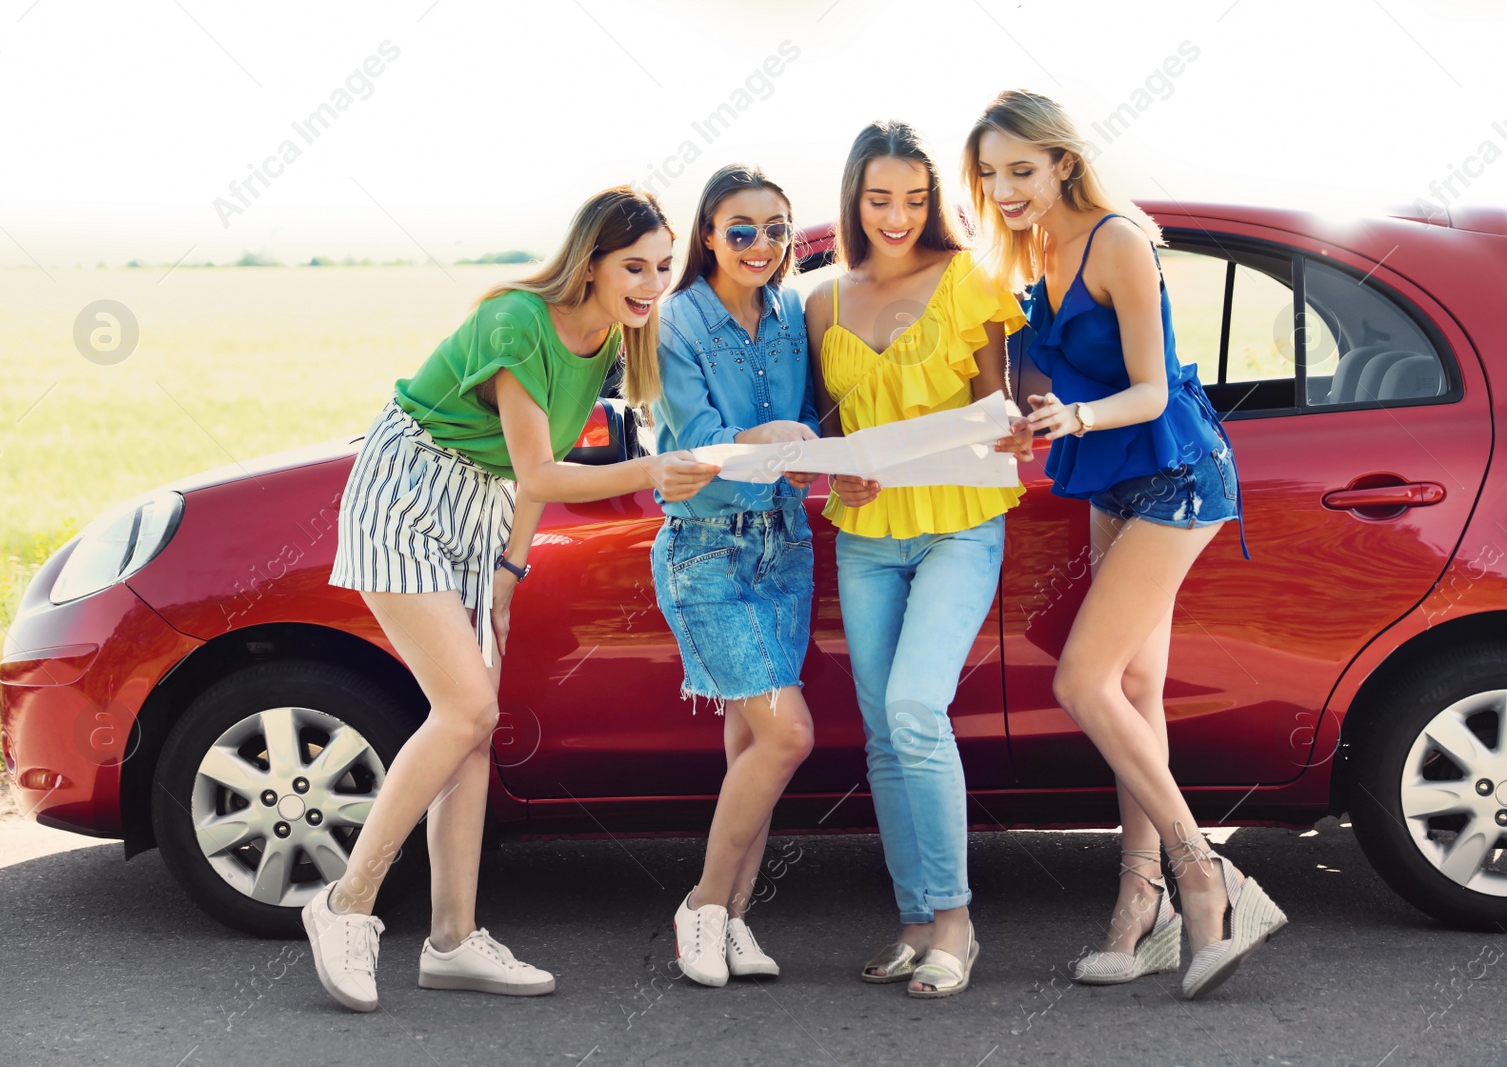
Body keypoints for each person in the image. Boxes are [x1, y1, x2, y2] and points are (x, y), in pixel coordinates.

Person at [306, 186, 720, 1012]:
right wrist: (652, 473)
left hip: (481, 509)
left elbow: (526, 476)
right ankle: (346, 905)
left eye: (663, 268)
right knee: (465, 711)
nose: (651, 284)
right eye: (634, 266)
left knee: (472, 737)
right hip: (406, 490)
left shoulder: (611, 339)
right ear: (589, 262)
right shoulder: (517, 322)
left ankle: (453, 942)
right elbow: (540, 470)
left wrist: (511, 567)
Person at [966, 89, 1282, 1000]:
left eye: (1021, 171)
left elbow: (1148, 388)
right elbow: (1041, 372)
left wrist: (1077, 414)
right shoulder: (1028, 251)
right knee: (1135, 689)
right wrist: (1028, 419)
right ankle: (1136, 910)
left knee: (1082, 680)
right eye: (990, 175)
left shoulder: (1117, 241)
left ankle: (1205, 875)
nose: (1006, 189)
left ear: (1064, 161)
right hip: (1107, 476)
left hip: (1175, 472)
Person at [805, 120, 1031, 999]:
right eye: (879, 199)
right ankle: (912, 919)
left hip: (960, 524)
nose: (897, 215)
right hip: (866, 538)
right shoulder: (822, 299)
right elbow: (827, 425)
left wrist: (1008, 428)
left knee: (914, 705)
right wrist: (837, 470)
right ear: (854, 201)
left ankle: (957, 923)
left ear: (933, 201)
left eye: (913, 198)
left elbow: (993, 407)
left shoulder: (970, 279)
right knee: (884, 734)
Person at [649, 164, 821, 986]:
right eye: (741, 229)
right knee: (789, 732)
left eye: (777, 228)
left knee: (751, 739)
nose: (761, 244)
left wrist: (822, 450)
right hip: (708, 548)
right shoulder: (675, 321)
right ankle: (704, 906)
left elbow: (820, 423)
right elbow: (704, 436)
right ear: (708, 235)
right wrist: (778, 435)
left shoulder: (794, 311)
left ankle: (737, 922)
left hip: (785, 542)